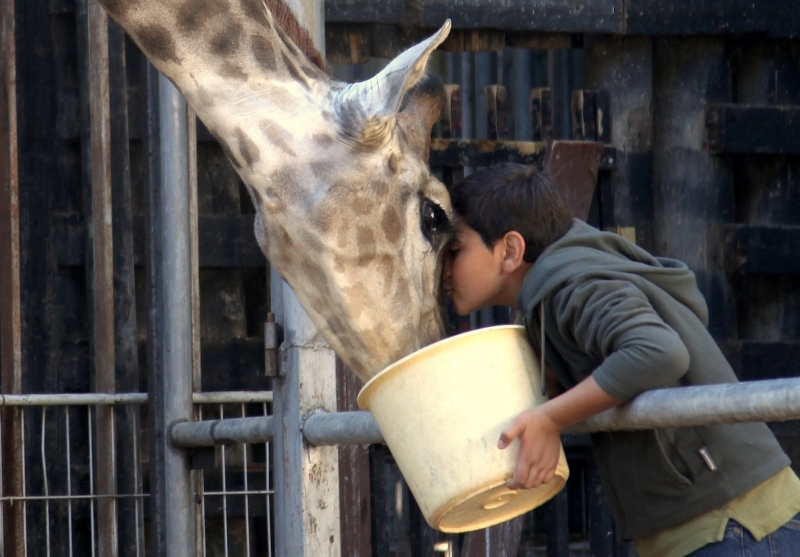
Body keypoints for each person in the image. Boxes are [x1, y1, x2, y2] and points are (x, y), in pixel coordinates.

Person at [442, 162, 800, 557]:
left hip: (733, 523)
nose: (442, 268)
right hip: (715, 526)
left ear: (510, 250)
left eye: (454, 251)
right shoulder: (555, 294)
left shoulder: (575, 285)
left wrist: (550, 419)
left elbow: (658, 351)